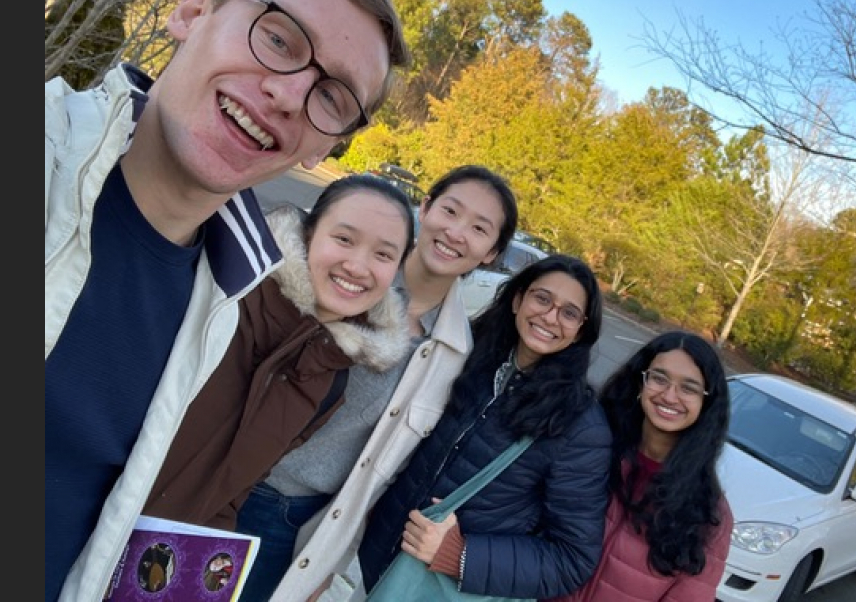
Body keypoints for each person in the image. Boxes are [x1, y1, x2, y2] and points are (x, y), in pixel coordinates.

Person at [45, 0, 409, 602]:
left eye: (332, 98)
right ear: (191, 11)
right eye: (278, 37)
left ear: (326, 147)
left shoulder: (220, 304)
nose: (290, 94)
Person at [243, 165, 520, 602]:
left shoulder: (453, 355)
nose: (455, 231)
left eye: (479, 228)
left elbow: (383, 470)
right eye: (450, 210)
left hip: (298, 518)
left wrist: (326, 566)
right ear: (424, 208)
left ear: (491, 252)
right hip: (229, 477)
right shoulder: (341, 276)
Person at [143, 172, 417, 529]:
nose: (357, 266)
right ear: (308, 233)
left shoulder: (330, 375)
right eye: (344, 239)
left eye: (383, 254)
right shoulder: (225, 296)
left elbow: (234, 489)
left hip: (150, 560)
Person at [356, 254, 613, 601]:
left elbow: (571, 559)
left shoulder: (580, 425)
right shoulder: (472, 356)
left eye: (569, 313)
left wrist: (461, 556)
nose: (550, 317)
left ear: (581, 329)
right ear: (518, 299)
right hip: (378, 560)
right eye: (542, 298)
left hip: (437, 586)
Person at [544, 331, 733, 602]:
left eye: (689, 388)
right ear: (640, 381)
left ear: (707, 403)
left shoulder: (710, 513)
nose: (669, 396)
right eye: (659, 378)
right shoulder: (590, 450)